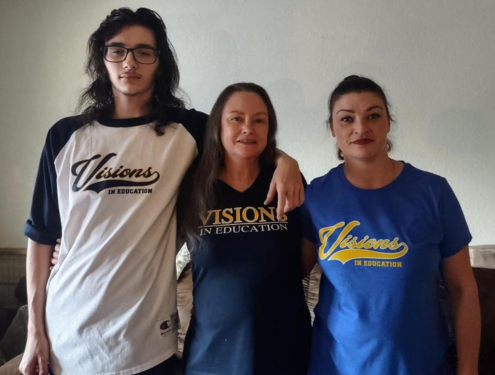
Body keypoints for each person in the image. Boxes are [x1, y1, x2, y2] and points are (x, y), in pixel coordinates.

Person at [20, 8, 303, 375]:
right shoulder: (65, 136)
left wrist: (286, 161)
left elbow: (241, 136)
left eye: (143, 52)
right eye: (117, 50)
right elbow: (41, 237)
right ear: (101, 58)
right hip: (69, 335)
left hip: (149, 344)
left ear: (159, 62)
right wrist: (34, 332)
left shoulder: (186, 129)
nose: (129, 62)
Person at [301, 75, 481, 375]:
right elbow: (288, 277)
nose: (361, 127)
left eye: (373, 115)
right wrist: (282, 161)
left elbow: (463, 289)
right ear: (333, 129)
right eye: (347, 119)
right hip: (333, 366)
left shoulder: (433, 193)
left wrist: (468, 369)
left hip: (420, 366)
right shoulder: (315, 197)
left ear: (388, 123)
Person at [179, 82, 312, 375]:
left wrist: (285, 159)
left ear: (269, 128)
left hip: (284, 350)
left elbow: (306, 254)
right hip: (211, 354)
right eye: (236, 118)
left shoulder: (287, 180)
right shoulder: (192, 186)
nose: (248, 128)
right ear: (217, 125)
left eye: (259, 120)